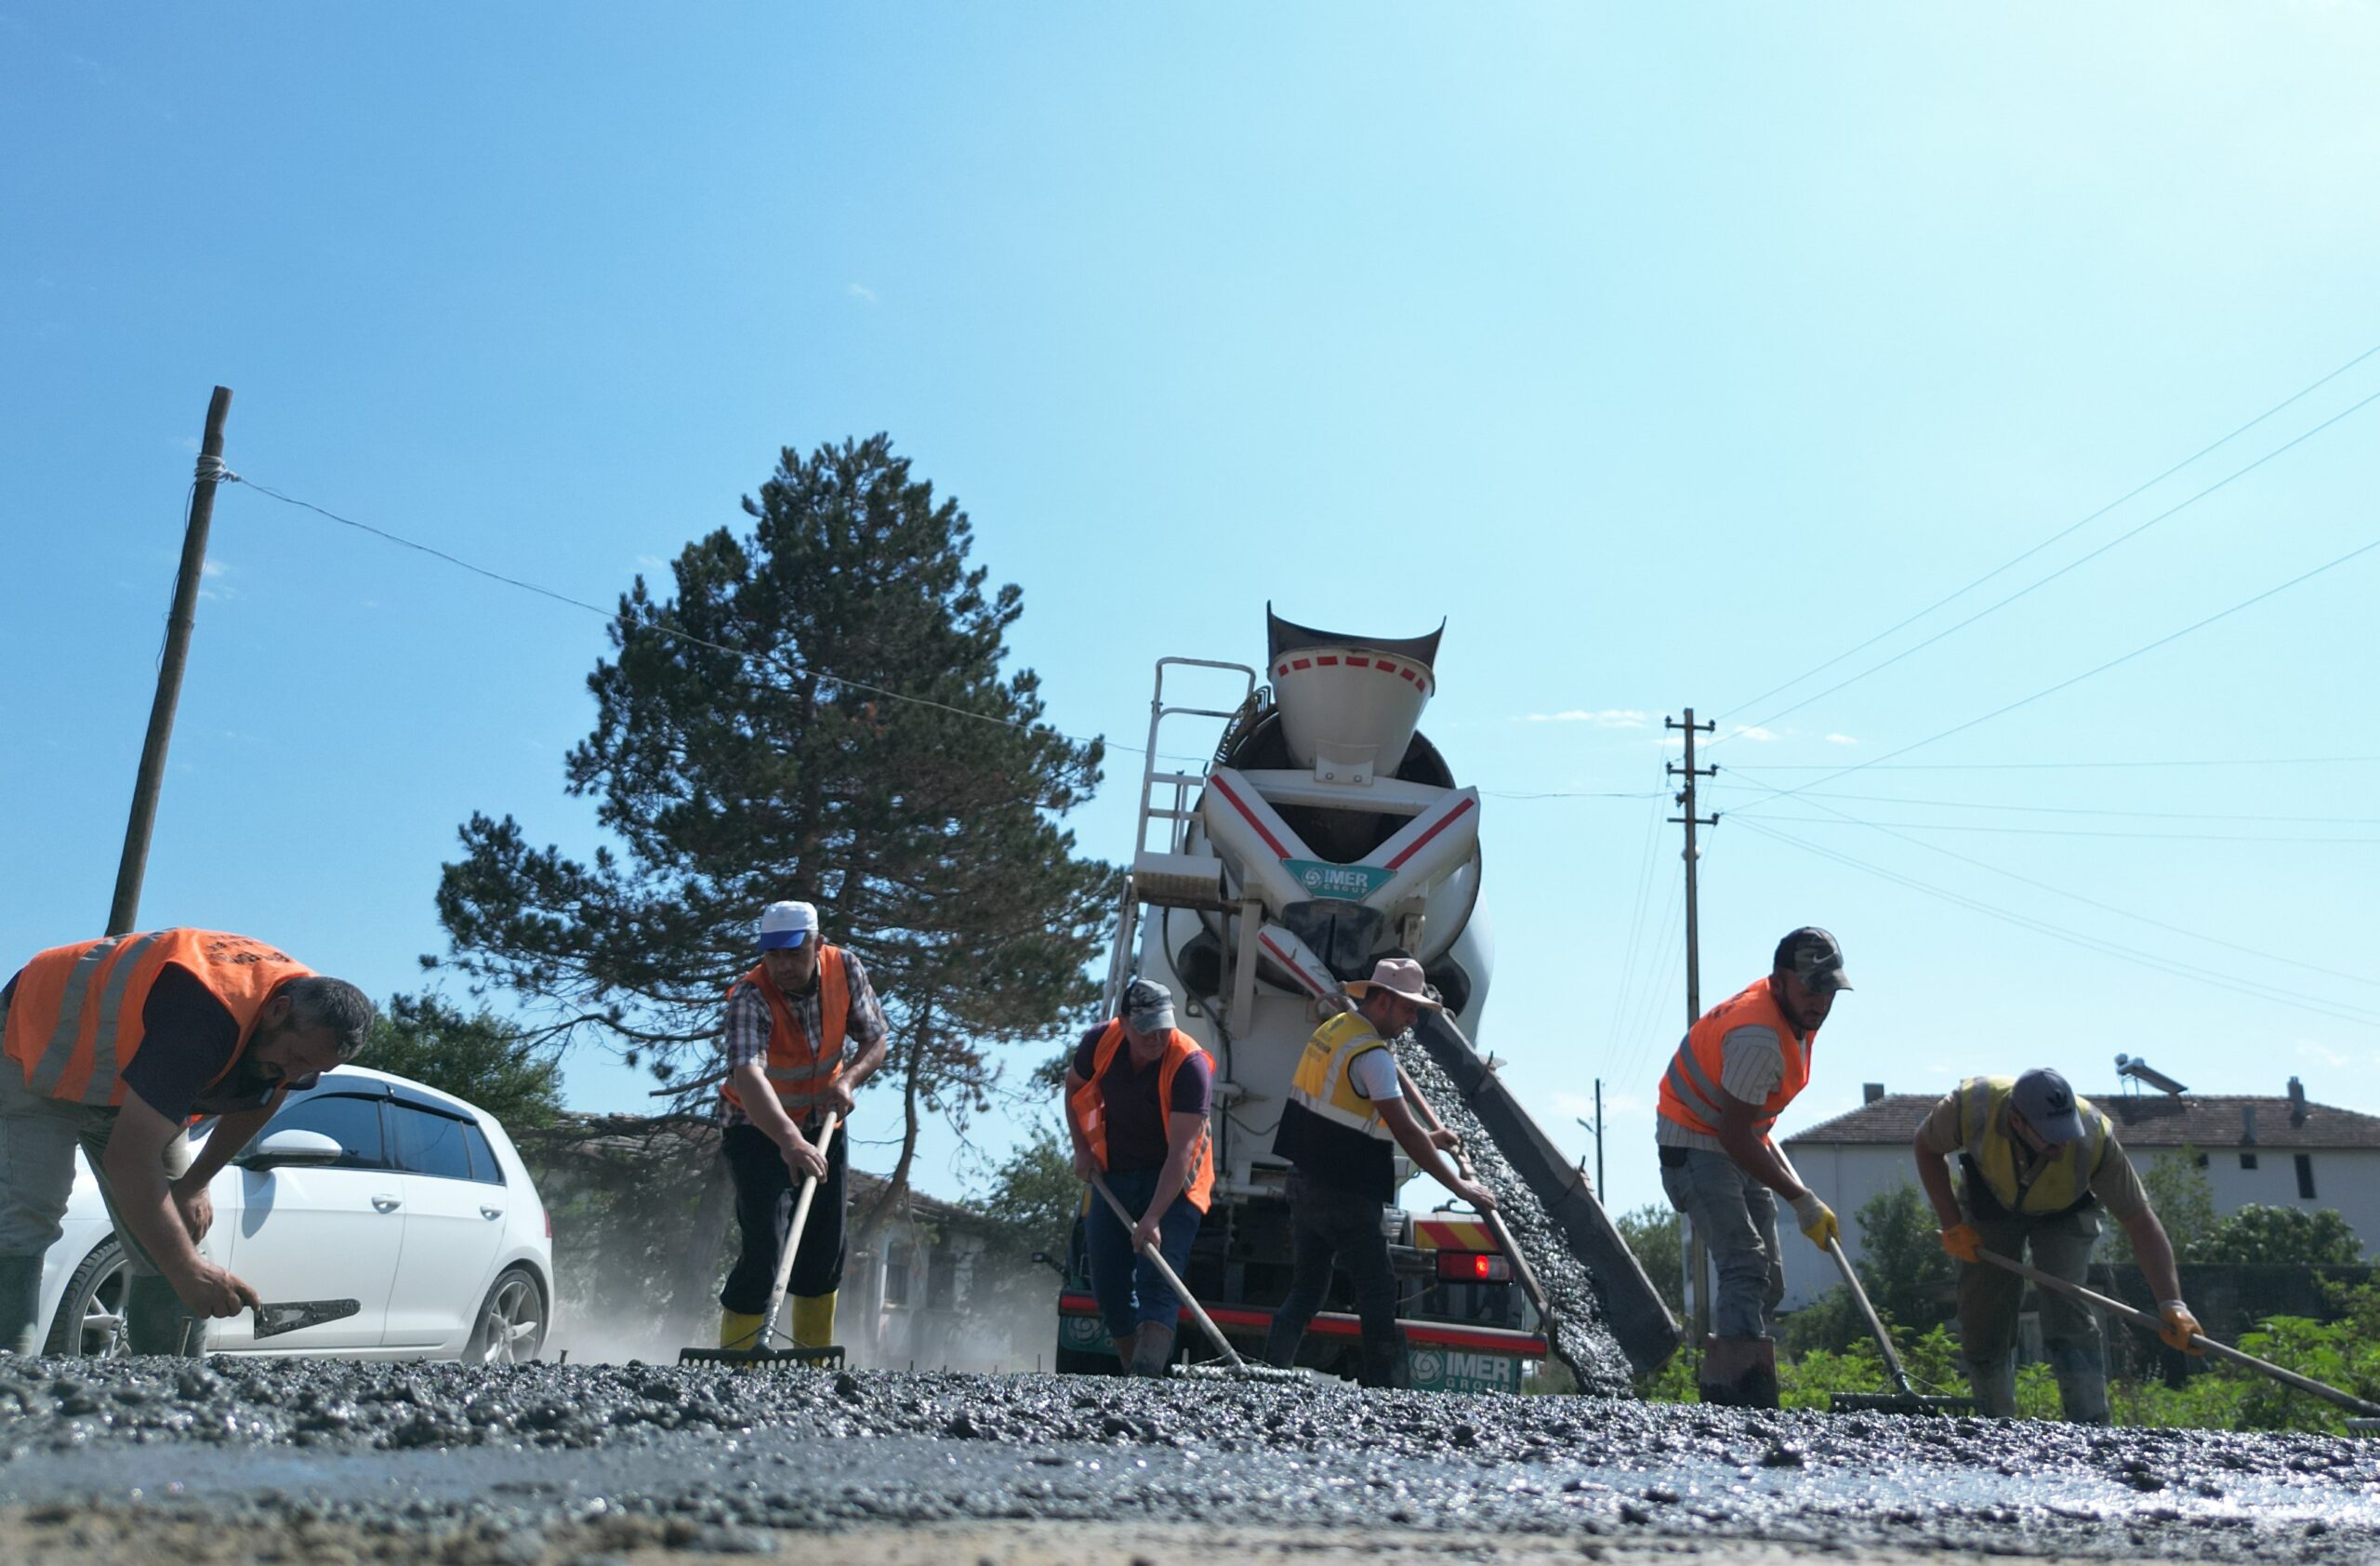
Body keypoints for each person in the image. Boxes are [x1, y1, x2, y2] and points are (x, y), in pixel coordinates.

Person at [0, 930, 374, 1355]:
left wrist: (196, 1184)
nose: (294, 1072)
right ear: (278, 1010)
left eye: (311, 1068)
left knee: (176, 1234)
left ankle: (170, 1397)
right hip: (35, 1048)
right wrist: (184, 1270)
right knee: (26, 1216)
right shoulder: (205, 1013)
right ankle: (11, 1383)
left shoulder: (301, 1026)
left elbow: (266, 1096)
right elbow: (129, 1157)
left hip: (123, 1076)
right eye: (296, 1058)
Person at [1913, 1066, 2202, 1423]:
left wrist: (2172, 1303)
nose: (2062, 1144)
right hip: (1991, 1202)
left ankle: (2090, 1424)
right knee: (1983, 1311)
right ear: (2017, 1122)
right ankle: (1995, 1422)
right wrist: (1953, 1226)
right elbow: (1926, 1148)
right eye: (2051, 1137)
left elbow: (2140, 1221)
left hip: (2066, 1210)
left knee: (2065, 1300)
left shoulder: (2095, 1137)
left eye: (2066, 1133)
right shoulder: (1970, 1107)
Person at [1264, 957, 1496, 1388]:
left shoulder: (1334, 1032)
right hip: (1346, 1191)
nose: (1412, 1020)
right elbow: (1403, 1130)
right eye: (1409, 1009)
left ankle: (1270, 1371)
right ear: (1385, 1001)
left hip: (1304, 1179)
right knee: (1378, 1288)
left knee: (1308, 1288)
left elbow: (1353, 1106)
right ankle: (1385, 1390)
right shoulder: (1373, 1056)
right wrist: (1459, 1186)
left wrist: (1434, 1133)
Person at [1653, 925, 1850, 1408]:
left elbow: (1750, 1125)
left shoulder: (1794, 1016)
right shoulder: (1757, 1035)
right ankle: (1735, 1399)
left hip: (1732, 1139)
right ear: (1780, 980)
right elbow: (1734, 1134)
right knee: (1744, 1263)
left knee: (1770, 1280)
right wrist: (1802, 1200)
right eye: (1811, 988)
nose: (1821, 1000)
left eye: (1829, 989)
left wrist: (1800, 1198)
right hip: (1696, 1145)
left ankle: (1740, 1359)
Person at [716, 900, 889, 1354]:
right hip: (756, 1128)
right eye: (773, 955)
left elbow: (875, 1038)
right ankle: (736, 1364)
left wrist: (849, 1080)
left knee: (825, 1248)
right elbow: (748, 1077)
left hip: (822, 1123)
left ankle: (809, 1365)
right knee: (767, 1245)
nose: (783, 966)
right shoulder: (749, 996)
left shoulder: (845, 968)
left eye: (794, 954)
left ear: (818, 944)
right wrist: (789, 1141)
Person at [1064, 977, 1216, 1375]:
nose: (1156, 1038)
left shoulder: (1190, 1064)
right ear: (1125, 1024)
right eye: (1146, 1030)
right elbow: (1073, 1086)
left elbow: (1181, 1152)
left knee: (1157, 1281)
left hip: (1175, 1182)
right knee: (1108, 1282)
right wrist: (1082, 1149)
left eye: (1163, 1028)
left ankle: (1147, 1376)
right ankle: (1133, 1369)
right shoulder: (1100, 1043)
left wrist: (1153, 1218)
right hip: (1114, 1172)